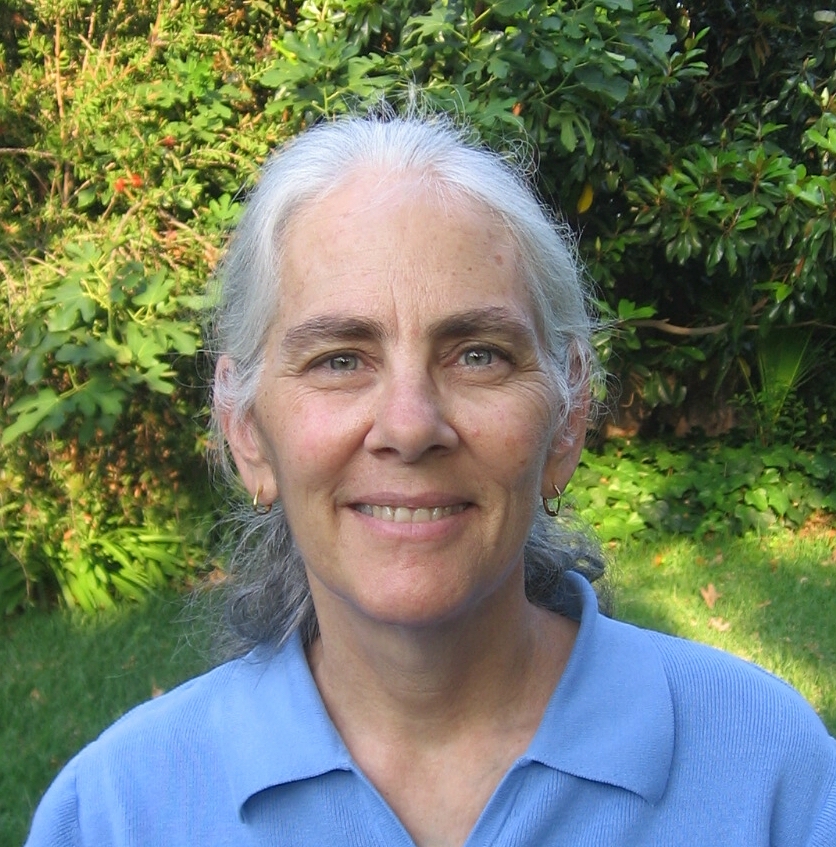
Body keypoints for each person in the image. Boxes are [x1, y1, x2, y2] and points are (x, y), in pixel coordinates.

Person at [26, 109, 835, 847]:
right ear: (248, 434)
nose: (411, 426)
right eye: (341, 359)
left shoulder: (770, 775)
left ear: (569, 419)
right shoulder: (119, 812)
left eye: (478, 354)